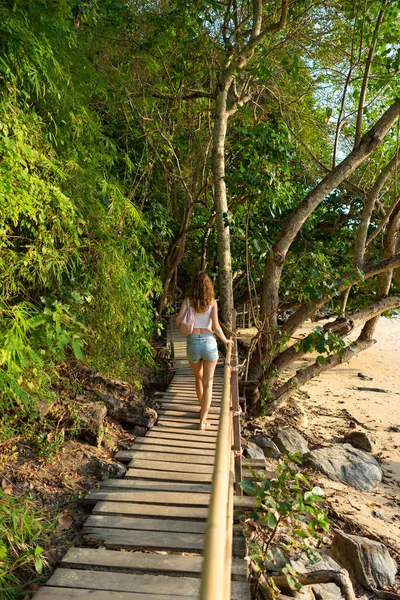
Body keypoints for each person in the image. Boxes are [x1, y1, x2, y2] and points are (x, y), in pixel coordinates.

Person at [176, 272, 233, 430]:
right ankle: (203, 420)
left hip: (193, 342)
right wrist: (226, 340)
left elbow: (178, 321)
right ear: (209, 286)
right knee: (209, 382)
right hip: (209, 343)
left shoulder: (188, 301)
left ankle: (202, 410)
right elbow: (215, 326)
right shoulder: (212, 302)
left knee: (198, 378)